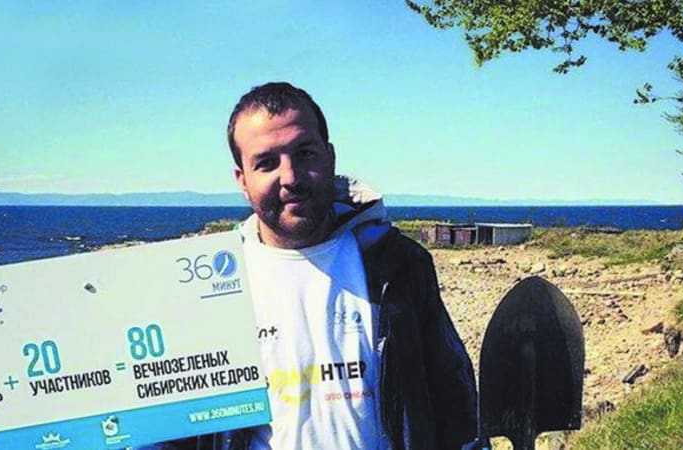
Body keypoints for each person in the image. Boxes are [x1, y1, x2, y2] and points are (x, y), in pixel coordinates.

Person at [154, 82, 478, 449]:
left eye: (305, 153)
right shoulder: (205, 286)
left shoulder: (398, 264)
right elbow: (170, 429)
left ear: (330, 157)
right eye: (266, 163)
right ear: (242, 179)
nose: (290, 177)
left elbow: (454, 404)